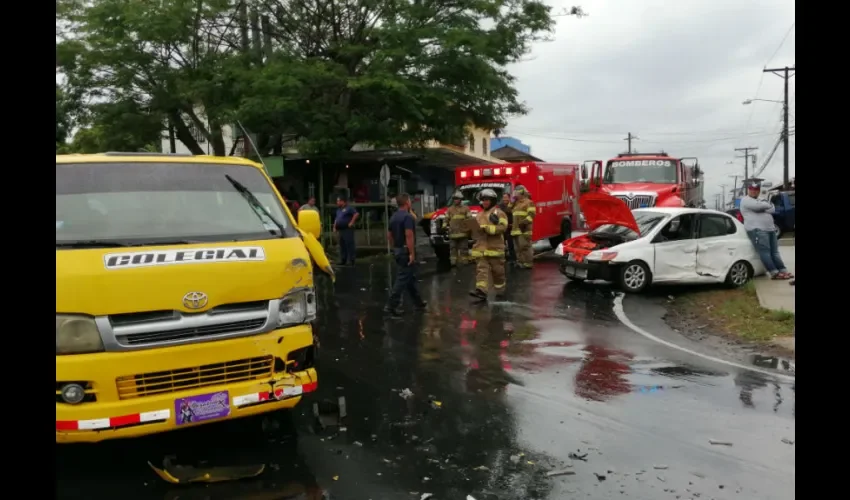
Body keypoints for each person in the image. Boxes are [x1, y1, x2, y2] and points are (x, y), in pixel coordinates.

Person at [384, 193, 427, 315]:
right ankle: (391, 306)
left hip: (398, 250)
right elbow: (409, 235)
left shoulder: (393, 217)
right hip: (405, 251)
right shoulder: (407, 217)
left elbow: (389, 236)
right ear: (407, 202)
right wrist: (411, 253)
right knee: (402, 279)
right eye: (410, 201)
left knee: (410, 278)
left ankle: (418, 303)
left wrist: (395, 248)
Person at [739, 182, 793, 280]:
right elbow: (759, 207)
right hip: (757, 230)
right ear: (748, 190)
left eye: (756, 190)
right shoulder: (745, 200)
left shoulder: (761, 200)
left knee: (775, 252)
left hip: (770, 229)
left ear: (759, 191)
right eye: (752, 189)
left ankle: (782, 270)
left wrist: (764, 205)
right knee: (765, 252)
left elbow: (772, 208)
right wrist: (765, 205)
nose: (754, 191)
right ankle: (774, 273)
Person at [469, 188, 509, 301]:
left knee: (498, 272)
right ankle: (481, 291)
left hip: (495, 249)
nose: (485, 202)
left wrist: (487, 228)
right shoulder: (479, 215)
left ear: (493, 201)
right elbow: (475, 232)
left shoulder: (499, 213)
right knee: (481, 270)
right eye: (483, 200)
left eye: (487, 200)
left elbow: (503, 228)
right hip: (481, 249)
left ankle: (500, 290)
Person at [510, 185, 536, 269]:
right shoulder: (516, 203)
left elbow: (531, 215)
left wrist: (524, 223)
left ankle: (528, 263)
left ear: (522, 193)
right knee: (518, 248)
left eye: (517, 192)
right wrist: (512, 201)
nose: (515, 194)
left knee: (525, 247)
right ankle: (521, 262)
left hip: (524, 229)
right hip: (515, 229)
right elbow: (508, 209)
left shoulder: (529, 202)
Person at [446, 190, 472, 265]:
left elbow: (470, 219)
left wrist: (472, 230)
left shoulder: (466, 208)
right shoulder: (450, 209)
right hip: (453, 233)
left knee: (464, 249)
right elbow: (446, 219)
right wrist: (444, 226)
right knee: (453, 249)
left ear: (460, 199)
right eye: (454, 199)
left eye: (457, 199)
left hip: (463, 233)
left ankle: (465, 262)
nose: (455, 200)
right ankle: (453, 262)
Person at [333, 196, 359, 266]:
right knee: (342, 245)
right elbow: (337, 219)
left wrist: (351, 222)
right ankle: (343, 259)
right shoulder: (338, 210)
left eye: (338, 201)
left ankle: (351, 259)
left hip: (347, 229)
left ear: (343, 201)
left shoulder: (349, 208)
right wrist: (334, 226)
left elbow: (356, 214)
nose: (337, 202)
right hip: (340, 229)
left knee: (349, 244)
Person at [498, 193, 516, 263]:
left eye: (506, 197)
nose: (504, 199)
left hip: (511, 226)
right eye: (503, 197)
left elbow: (513, 214)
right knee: (502, 243)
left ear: (509, 198)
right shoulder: (500, 206)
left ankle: (513, 258)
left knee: (511, 243)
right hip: (503, 227)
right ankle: (503, 257)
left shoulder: (513, 205)